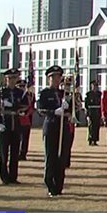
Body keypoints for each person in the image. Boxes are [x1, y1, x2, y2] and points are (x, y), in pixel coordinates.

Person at [36, 66, 73, 197]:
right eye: (54, 77)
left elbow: (72, 110)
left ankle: (59, 186)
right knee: (51, 156)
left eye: (58, 77)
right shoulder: (45, 93)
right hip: (51, 126)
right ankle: (50, 184)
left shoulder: (63, 94)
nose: (56, 80)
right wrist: (54, 112)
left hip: (63, 127)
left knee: (62, 158)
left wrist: (70, 107)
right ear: (48, 79)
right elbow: (41, 110)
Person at [0, 68, 28, 185]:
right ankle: (4, 176)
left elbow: (25, 105)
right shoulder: (1, 92)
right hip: (5, 123)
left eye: (14, 78)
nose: (12, 81)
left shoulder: (19, 92)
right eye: (10, 78)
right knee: (4, 153)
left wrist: (15, 106)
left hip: (15, 124)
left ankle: (13, 176)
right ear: (6, 79)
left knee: (14, 152)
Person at [17, 80, 34, 161]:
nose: (22, 88)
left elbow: (31, 107)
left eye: (23, 86)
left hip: (26, 119)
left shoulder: (28, 96)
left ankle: (23, 153)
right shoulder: (16, 95)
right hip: (17, 119)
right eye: (20, 86)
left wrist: (27, 113)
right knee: (17, 138)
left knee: (25, 138)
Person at [84, 80, 101, 146]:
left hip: (97, 112)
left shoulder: (99, 94)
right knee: (91, 126)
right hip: (91, 112)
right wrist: (87, 114)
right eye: (93, 86)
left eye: (96, 86)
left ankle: (95, 140)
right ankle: (90, 139)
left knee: (97, 126)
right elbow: (86, 105)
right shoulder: (89, 94)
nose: (95, 87)